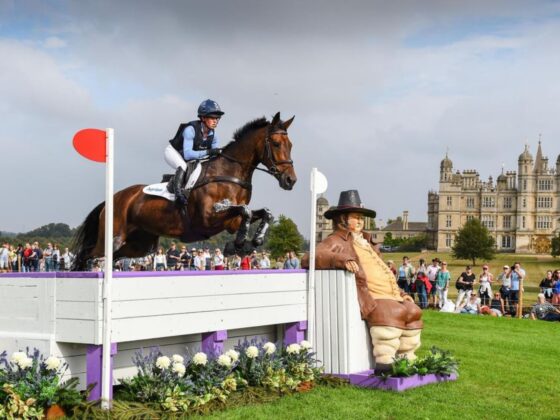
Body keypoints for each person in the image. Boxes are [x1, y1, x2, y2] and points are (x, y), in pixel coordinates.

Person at [301, 190, 422, 373]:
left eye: (361, 218)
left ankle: (407, 358)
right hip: (372, 297)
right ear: (342, 218)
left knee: (413, 311)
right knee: (392, 311)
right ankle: (385, 361)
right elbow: (310, 257)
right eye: (355, 217)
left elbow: (383, 272)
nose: (360, 221)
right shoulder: (336, 240)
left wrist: (403, 294)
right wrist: (340, 260)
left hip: (391, 294)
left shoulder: (367, 242)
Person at [164, 99, 224, 204]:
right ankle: (178, 196)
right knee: (183, 166)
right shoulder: (190, 130)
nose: (216, 121)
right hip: (173, 152)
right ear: (203, 118)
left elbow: (214, 157)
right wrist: (209, 152)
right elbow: (188, 155)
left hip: (188, 156)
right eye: (212, 117)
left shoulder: (213, 136)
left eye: (217, 118)